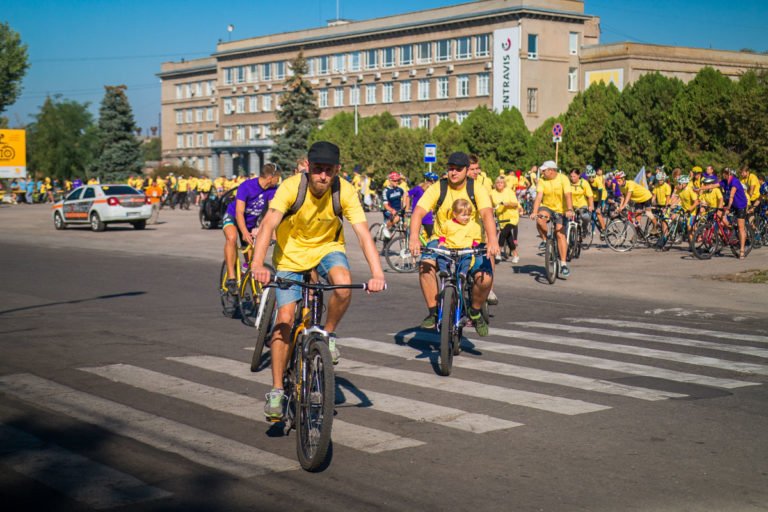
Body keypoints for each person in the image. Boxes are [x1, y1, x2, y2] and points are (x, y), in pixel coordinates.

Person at [251, 142, 386, 420]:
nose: (323, 176)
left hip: (328, 249)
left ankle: (327, 334)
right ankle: (277, 390)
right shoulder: (291, 187)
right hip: (289, 256)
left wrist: (378, 274)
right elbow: (268, 225)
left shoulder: (345, 191)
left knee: (343, 284)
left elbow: (362, 234)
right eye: (317, 170)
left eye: (328, 171)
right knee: (286, 317)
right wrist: (257, 264)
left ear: (337, 170)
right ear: (308, 169)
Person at [409, 151, 499, 336]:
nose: (453, 173)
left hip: (471, 241)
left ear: (467, 170)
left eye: (458, 169)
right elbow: (418, 211)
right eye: (450, 169)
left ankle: (474, 311)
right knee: (425, 265)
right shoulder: (438, 188)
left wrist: (492, 240)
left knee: (486, 278)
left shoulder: (476, 189)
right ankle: (434, 313)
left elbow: (487, 214)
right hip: (442, 239)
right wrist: (413, 237)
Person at [222, 163, 281, 294]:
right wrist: (243, 232)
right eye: (278, 177)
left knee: (252, 262)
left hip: (250, 223)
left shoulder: (272, 189)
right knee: (231, 238)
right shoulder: (246, 186)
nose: (279, 180)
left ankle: (254, 293)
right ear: (271, 177)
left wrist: (272, 234)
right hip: (233, 216)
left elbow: (271, 212)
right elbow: (239, 212)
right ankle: (231, 277)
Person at [530, 161, 574, 277]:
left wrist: (569, 209)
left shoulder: (563, 179)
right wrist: (534, 212)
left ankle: (563, 264)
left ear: (551, 170)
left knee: (560, 234)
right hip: (547, 207)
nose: (542, 172)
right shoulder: (542, 181)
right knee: (540, 219)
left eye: (544, 170)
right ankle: (546, 240)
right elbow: (539, 197)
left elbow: (568, 195)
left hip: (561, 209)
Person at [491, 176, 521, 263]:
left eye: (501, 183)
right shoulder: (492, 193)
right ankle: (515, 255)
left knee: (503, 233)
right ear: (495, 184)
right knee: (508, 237)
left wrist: (507, 204)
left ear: (504, 184)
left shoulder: (509, 191)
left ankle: (498, 252)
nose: (499, 184)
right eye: (498, 183)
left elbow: (515, 204)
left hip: (512, 217)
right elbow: (489, 203)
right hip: (501, 218)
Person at [723, 168, 749, 259]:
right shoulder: (725, 181)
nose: (724, 175)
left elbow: (731, 196)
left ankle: (742, 250)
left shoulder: (735, 182)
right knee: (721, 216)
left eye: (726, 173)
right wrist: (700, 188)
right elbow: (714, 185)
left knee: (741, 227)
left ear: (730, 174)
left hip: (741, 205)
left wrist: (728, 207)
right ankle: (731, 232)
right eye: (724, 173)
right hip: (733, 205)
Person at [408, 171, 438, 238]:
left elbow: (406, 194)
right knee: (432, 236)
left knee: (421, 236)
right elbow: (406, 194)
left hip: (423, 216)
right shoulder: (420, 189)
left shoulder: (429, 190)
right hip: (425, 217)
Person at [568, 168, 595, 237]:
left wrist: (591, 206)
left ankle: (585, 229)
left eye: (574, 176)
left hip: (582, 205)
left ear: (578, 175)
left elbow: (590, 196)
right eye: (571, 176)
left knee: (585, 217)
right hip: (571, 205)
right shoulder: (568, 183)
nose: (572, 178)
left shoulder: (584, 183)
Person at [381, 171, 408, 238]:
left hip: (398, 210)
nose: (396, 182)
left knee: (405, 224)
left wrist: (404, 204)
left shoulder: (400, 189)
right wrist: (392, 210)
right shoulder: (386, 191)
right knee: (397, 218)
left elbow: (405, 195)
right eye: (394, 180)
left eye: (398, 180)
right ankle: (386, 227)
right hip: (389, 211)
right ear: (390, 181)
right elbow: (385, 205)